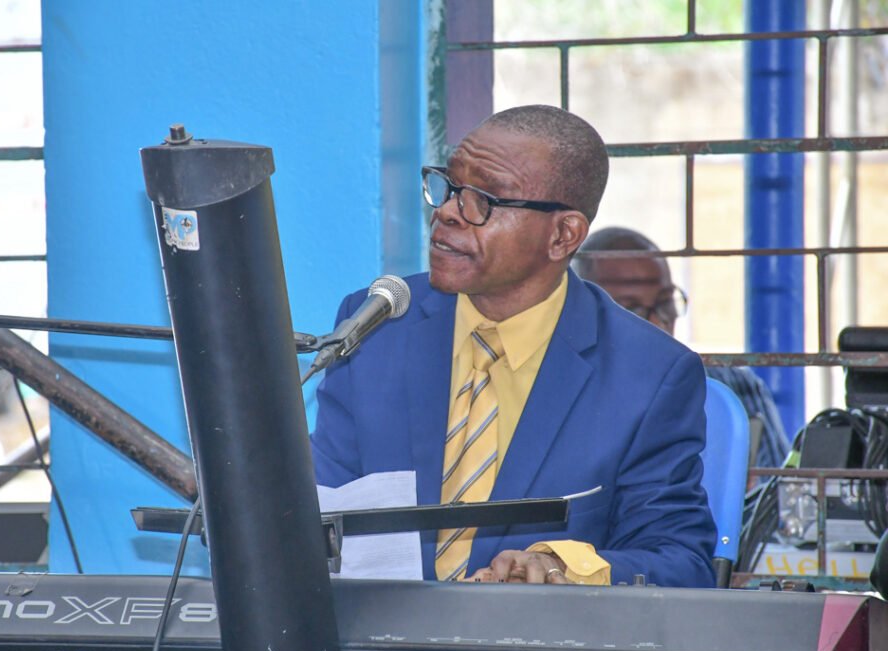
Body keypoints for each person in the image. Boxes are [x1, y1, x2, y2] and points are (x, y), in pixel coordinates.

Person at [310, 105, 716, 588]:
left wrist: (568, 567)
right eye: (450, 186)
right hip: (379, 645)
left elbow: (680, 561)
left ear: (562, 235)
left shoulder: (649, 375)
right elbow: (323, 505)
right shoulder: (378, 327)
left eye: (483, 200)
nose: (445, 213)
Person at [572, 226, 791, 473]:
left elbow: (780, 499)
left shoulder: (735, 388)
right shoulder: (564, 395)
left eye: (666, 302)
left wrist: (743, 493)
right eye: (631, 310)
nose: (657, 323)